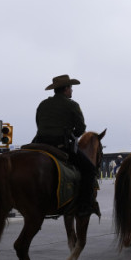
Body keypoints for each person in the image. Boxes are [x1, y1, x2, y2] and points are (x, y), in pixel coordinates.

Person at [32, 74, 99, 217]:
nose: (72, 90)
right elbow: (81, 128)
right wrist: (71, 134)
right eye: (71, 88)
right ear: (66, 89)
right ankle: (84, 206)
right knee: (90, 170)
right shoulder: (72, 105)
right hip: (61, 145)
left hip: (39, 143)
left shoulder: (43, 104)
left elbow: (38, 123)